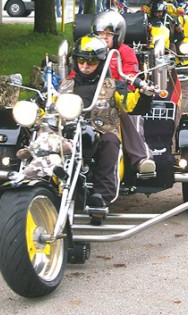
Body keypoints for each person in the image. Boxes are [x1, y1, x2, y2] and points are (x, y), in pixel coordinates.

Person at [58, 34, 155, 210]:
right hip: (69, 132)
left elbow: (130, 104)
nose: (85, 66)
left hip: (101, 131)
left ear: (101, 63)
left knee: (110, 142)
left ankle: (102, 197)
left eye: (91, 62)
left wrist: (144, 94)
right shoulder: (66, 85)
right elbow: (51, 104)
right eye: (81, 60)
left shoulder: (113, 85)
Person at [91, 11, 155, 175]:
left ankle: (142, 158)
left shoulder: (125, 52)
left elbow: (131, 77)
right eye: (100, 33)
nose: (103, 37)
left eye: (108, 34)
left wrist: (117, 86)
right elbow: (74, 74)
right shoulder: (88, 50)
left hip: (117, 96)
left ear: (117, 36)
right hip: (90, 95)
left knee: (129, 112)